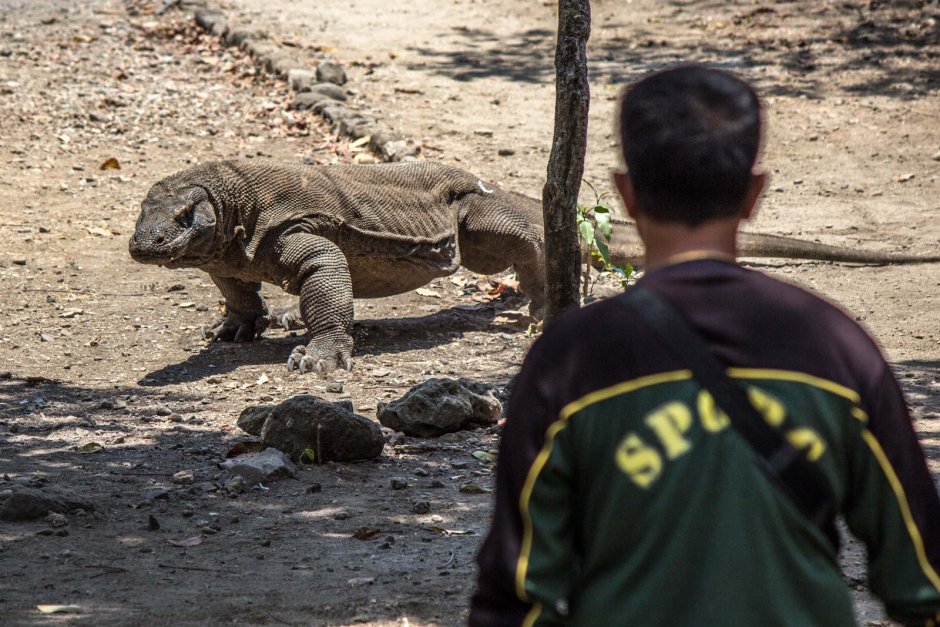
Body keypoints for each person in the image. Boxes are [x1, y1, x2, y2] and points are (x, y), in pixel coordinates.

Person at [469, 64, 940, 626]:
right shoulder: (836, 345)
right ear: (754, 193)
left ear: (625, 194)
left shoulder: (568, 360)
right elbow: (924, 579)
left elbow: (513, 599)